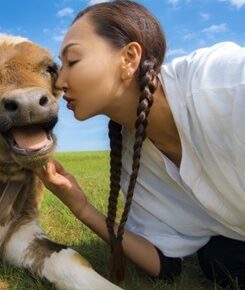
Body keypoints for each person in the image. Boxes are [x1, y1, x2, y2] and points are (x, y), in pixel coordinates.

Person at [36, 0, 245, 288]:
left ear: (129, 58)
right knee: (217, 260)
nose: (58, 82)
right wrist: (81, 207)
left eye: (72, 61)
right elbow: (163, 263)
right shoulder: (130, 155)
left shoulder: (225, 81)